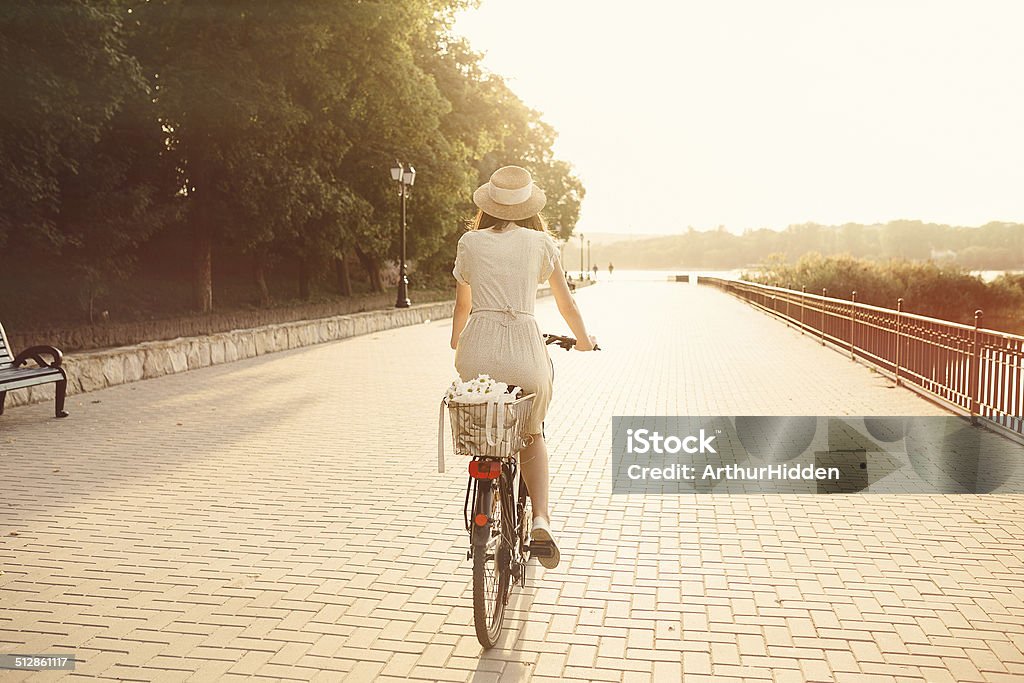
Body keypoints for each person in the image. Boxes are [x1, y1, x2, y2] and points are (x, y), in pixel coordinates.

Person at [450, 165, 597, 569]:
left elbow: (463, 306)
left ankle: (488, 496)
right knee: (531, 434)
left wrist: (456, 340)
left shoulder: (470, 242)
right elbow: (566, 303)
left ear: (489, 206)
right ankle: (541, 519)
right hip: (525, 350)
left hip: (476, 351)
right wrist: (584, 341)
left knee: (487, 426)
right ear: (530, 207)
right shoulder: (541, 243)